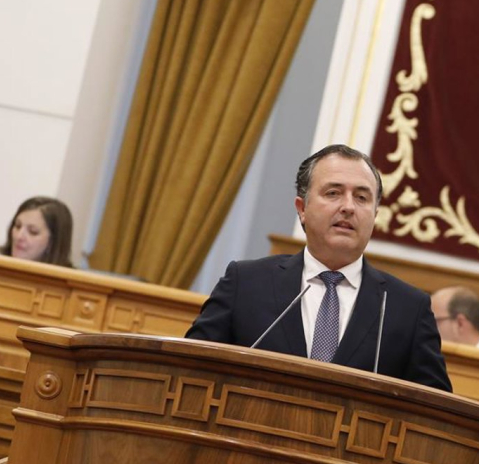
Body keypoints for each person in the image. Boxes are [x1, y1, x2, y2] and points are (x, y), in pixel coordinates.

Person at [186, 144, 451, 392]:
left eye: (361, 197)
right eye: (333, 193)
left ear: (375, 215)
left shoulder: (408, 308)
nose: (348, 207)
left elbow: (435, 408)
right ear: (302, 208)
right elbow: (190, 369)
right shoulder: (246, 283)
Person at [0, 196, 74, 267]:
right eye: (18, 226)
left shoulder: (70, 277)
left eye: (32, 232)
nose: (19, 236)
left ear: (53, 242)